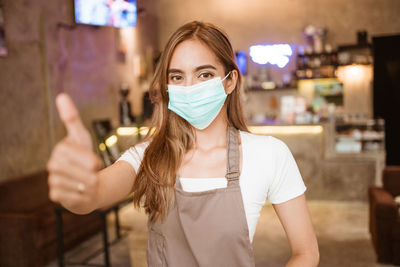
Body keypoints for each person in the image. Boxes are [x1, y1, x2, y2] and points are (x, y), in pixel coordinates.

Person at [47, 21, 319, 266]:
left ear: (230, 81)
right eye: (177, 77)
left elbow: (306, 252)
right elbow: (92, 196)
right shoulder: (147, 156)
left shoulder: (269, 154)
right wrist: (77, 188)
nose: (189, 87)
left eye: (204, 75)